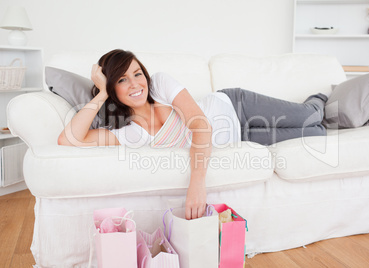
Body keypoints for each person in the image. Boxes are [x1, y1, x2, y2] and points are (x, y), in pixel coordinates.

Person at [58, 49, 327, 220]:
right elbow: (69, 139)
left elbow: (201, 126)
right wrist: (102, 92)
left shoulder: (160, 84)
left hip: (236, 106)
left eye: (137, 73)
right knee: (317, 133)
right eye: (121, 80)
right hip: (240, 139)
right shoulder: (129, 134)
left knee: (310, 116)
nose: (136, 83)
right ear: (111, 88)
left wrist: (197, 184)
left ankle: (320, 98)